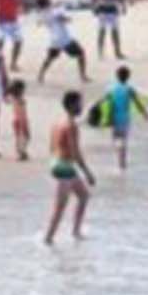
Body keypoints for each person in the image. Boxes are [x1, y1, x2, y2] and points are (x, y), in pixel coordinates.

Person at [42, 89, 96, 244]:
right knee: (60, 207)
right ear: (72, 105)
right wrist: (87, 172)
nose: (82, 107)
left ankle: (76, 231)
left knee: (84, 196)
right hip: (64, 167)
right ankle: (48, 238)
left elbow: (52, 146)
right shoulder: (71, 125)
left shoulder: (58, 122)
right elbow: (75, 152)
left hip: (58, 163)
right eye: (80, 103)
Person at [101, 65, 148, 171]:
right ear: (128, 77)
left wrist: (98, 114)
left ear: (117, 76)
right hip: (125, 119)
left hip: (113, 118)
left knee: (115, 139)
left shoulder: (111, 89)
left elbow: (103, 101)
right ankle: (122, 163)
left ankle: (120, 157)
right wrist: (145, 113)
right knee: (123, 140)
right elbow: (137, 103)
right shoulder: (129, 89)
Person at [35, 0, 88, 83]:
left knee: (50, 58)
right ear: (47, 1)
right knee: (81, 54)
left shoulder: (43, 13)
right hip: (64, 38)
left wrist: (57, 7)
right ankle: (83, 76)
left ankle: (41, 75)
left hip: (54, 40)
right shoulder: (55, 11)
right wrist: (66, 17)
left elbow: (40, 22)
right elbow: (65, 19)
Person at [8, 78, 32, 160]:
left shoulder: (13, 98)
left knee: (18, 137)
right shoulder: (20, 100)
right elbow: (21, 111)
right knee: (26, 136)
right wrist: (24, 122)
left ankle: (19, 151)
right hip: (22, 120)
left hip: (15, 120)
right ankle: (22, 151)